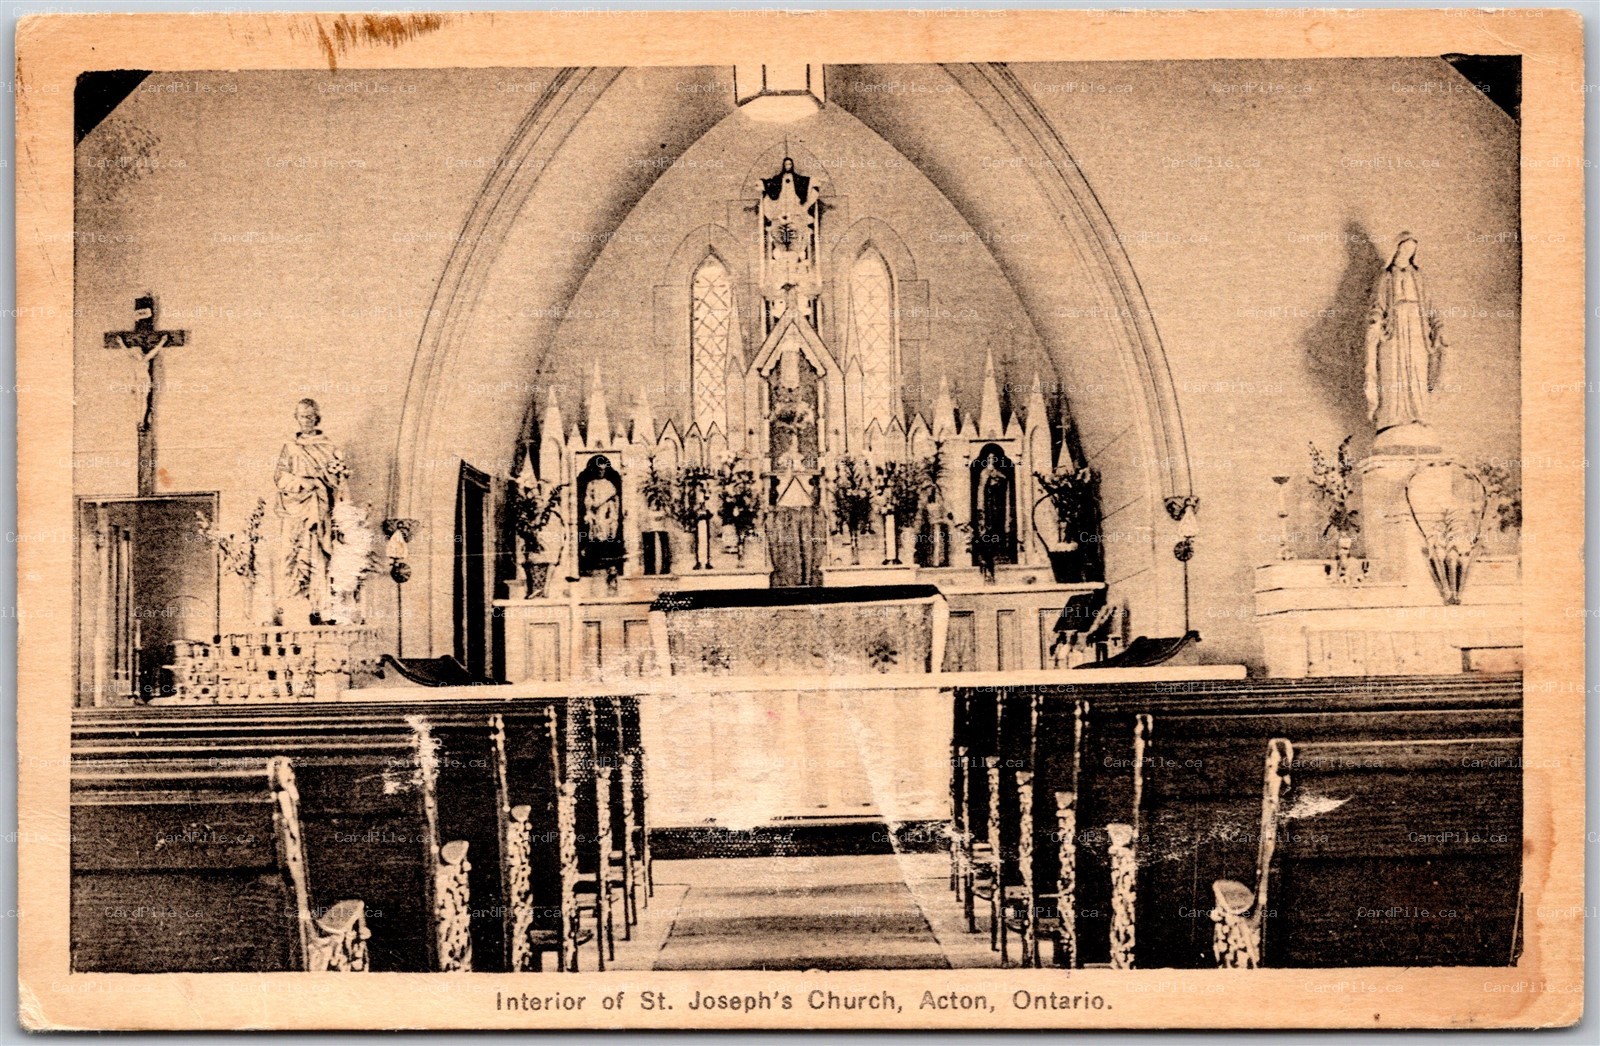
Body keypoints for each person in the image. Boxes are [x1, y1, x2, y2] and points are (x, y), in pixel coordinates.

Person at [274, 398, 347, 624]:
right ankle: (297, 602)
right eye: (301, 416)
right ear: (296, 418)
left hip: (321, 504)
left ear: (317, 418)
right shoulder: (290, 447)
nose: (305, 420)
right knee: (295, 550)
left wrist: (333, 478)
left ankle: (321, 601)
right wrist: (303, 483)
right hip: (297, 504)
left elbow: (337, 483)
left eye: (309, 416)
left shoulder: (329, 447)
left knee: (319, 550)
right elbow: (280, 477)